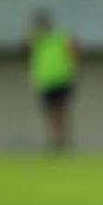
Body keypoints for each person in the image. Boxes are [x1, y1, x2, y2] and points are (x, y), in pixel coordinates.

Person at [26, 9, 78, 151]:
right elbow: (26, 48)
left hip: (62, 79)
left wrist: (71, 69)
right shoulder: (36, 39)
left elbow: (73, 50)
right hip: (45, 81)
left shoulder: (61, 36)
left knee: (60, 111)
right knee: (50, 112)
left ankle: (62, 141)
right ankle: (55, 140)